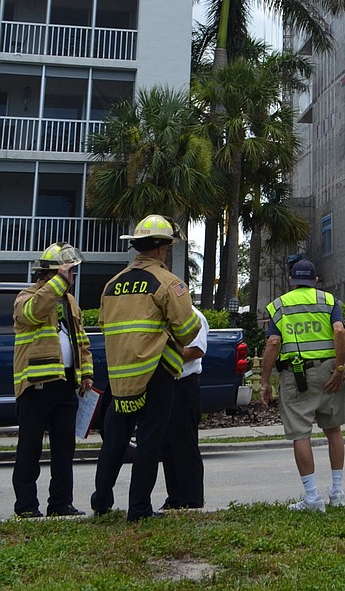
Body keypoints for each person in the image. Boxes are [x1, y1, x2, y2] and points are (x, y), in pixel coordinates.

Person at [90, 214, 200, 523]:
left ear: (137, 247)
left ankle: (101, 499)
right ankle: (138, 507)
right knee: (150, 439)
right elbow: (188, 331)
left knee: (114, 439)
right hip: (155, 373)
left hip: (120, 376)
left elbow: (104, 325)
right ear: (164, 249)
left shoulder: (111, 285)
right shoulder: (169, 283)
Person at [260, 259, 345, 512]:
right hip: (331, 373)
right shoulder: (329, 301)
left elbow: (272, 344)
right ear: (315, 281)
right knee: (334, 430)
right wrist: (340, 368)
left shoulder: (279, 306)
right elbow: (340, 332)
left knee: (301, 434)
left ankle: (312, 499)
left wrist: (265, 381)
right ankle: (337, 492)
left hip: (297, 376)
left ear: (291, 281)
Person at [12, 243, 93, 518]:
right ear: (54, 273)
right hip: (35, 388)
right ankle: (26, 506)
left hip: (65, 385)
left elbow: (81, 340)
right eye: (70, 272)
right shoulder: (27, 297)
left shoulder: (68, 301)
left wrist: (86, 374)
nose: (73, 278)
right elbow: (35, 311)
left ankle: (60, 504)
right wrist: (58, 280)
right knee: (29, 449)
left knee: (63, 451)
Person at [160, 308, 209, 510]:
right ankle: (175, 498)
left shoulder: (192, 316)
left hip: (184, 384)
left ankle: (191, 498)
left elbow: (197, 350)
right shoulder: (163, 315)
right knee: (167, 445)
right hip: (164, 385)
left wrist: (164, 353)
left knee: (185, 444)